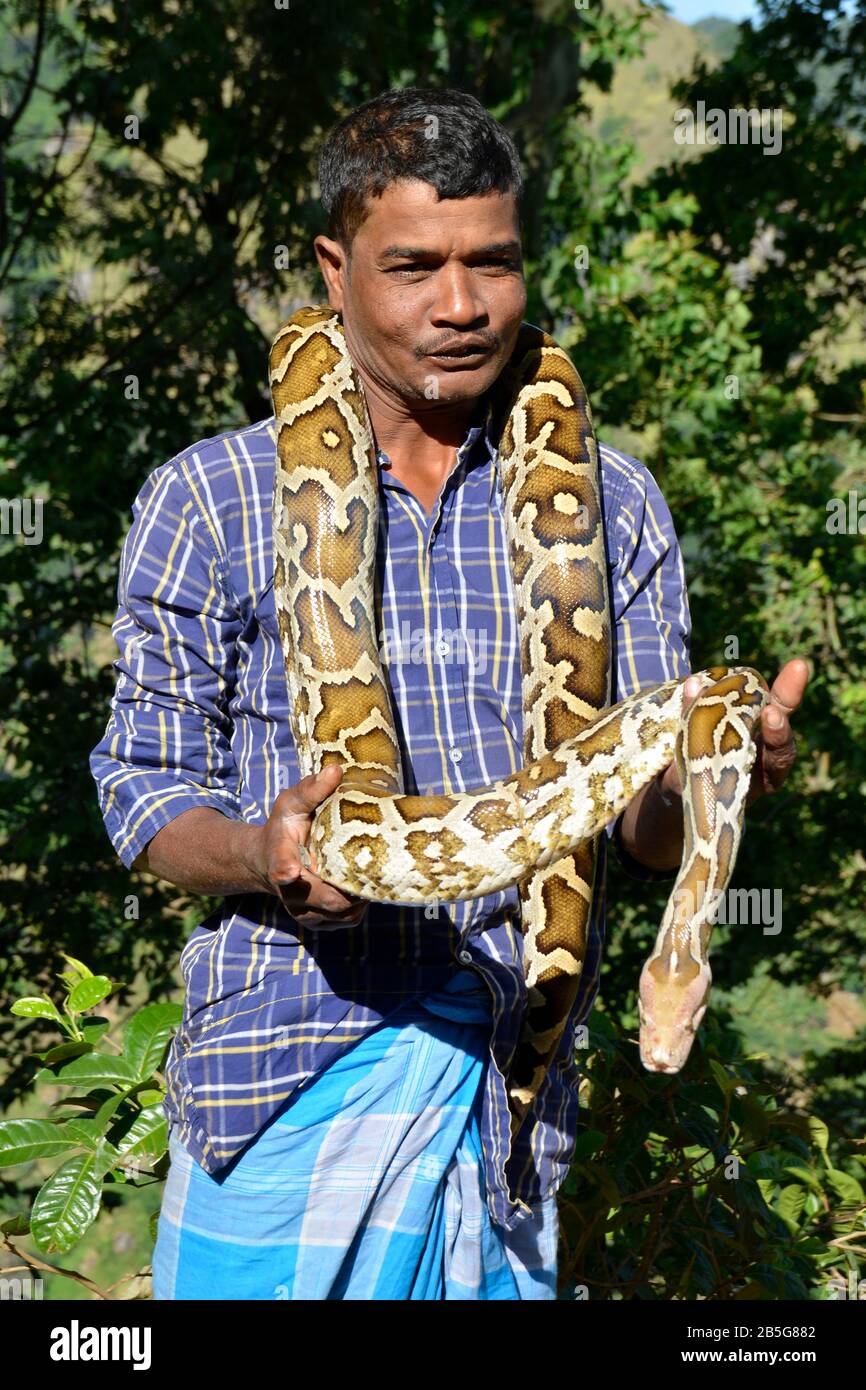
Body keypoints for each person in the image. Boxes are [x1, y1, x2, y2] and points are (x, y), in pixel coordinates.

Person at [89, 86, 807, 1300]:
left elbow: (635, 831)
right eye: (414, 265)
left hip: (511, 1118)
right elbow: (142, 791)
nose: (462, 304)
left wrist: (703, 772)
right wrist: (270, 858)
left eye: (494, 262)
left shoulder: (614, 504)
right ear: (332, 267)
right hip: (284, 1080)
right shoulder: (207, 499)